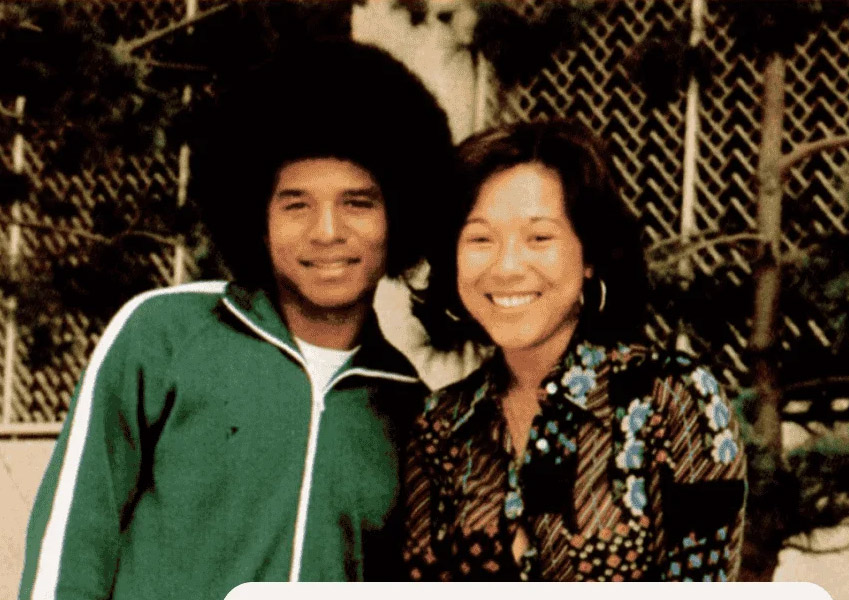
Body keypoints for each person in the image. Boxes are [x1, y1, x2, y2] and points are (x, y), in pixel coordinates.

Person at [19, 41, 454, 599]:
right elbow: (73, 536)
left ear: (400, 216)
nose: (327, 232)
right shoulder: (164, 334)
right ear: (258, 219)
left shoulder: (409, 410)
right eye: (296, 204)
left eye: (357, 203)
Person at [403, 120, 747, 582]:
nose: (507, 267)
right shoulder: (441, 426)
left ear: (590, 256)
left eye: (539, 238)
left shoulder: (675, 399)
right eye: (480, 239)